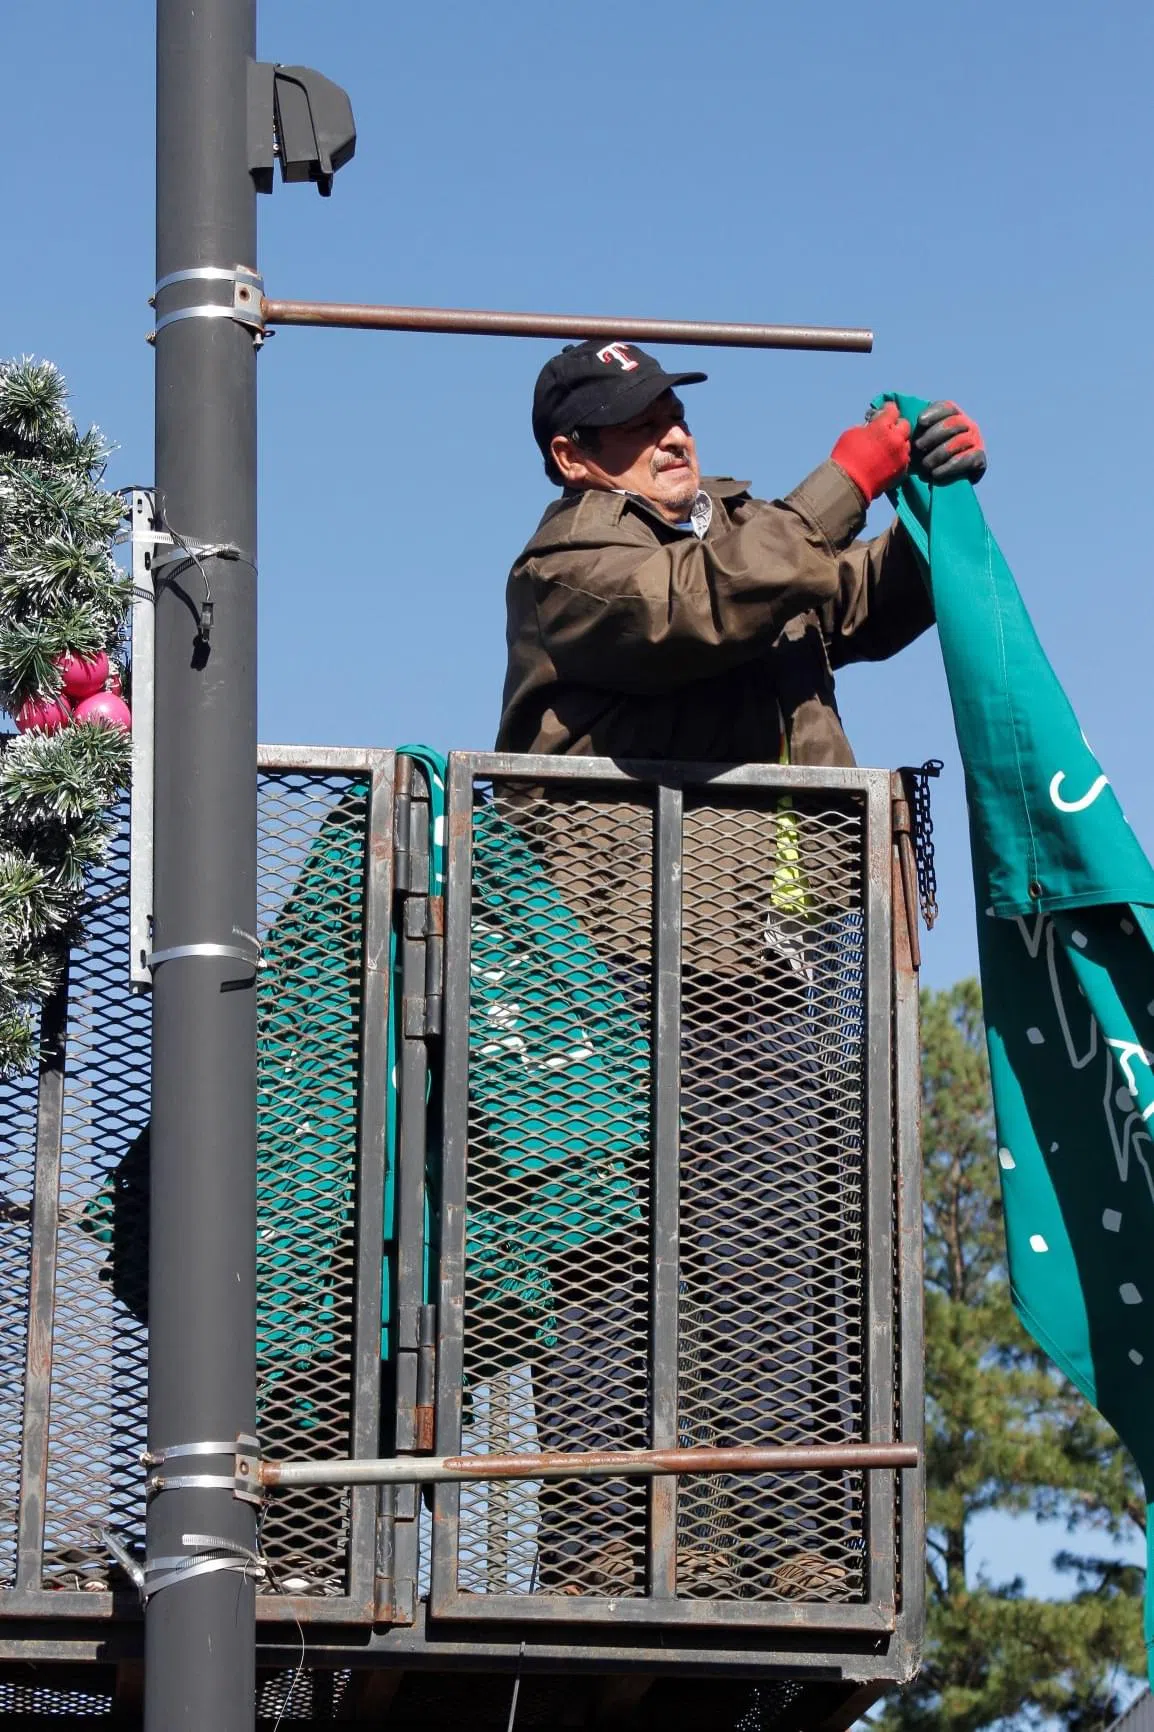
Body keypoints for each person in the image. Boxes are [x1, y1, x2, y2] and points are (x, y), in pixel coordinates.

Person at [484, 341, 986, 1600]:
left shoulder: (751, 532)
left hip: (763, 967)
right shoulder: (568, 563)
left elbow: (859, 596)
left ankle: (780, 1535)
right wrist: (847, 475)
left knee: (769, 1253)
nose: (667, 434)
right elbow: (690, 608)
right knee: (608, 1258)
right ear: (571, 455)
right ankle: (606, 1538)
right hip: (605, 974)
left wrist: (934, 498)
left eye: (669, 412)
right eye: (631, 423)